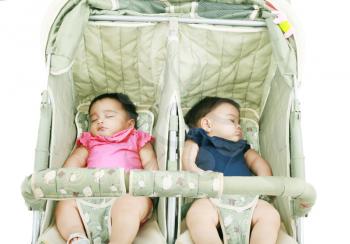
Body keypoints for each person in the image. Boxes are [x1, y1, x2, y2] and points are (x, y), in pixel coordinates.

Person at [55, 93, 158, 244]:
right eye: (94, 119)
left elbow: (150, 161)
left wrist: (151, 180)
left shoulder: (136, 138)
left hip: (127, 195)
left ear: (130, 124)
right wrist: (65, 178)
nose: (100, 121)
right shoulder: (89, 142)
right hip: (90, 198)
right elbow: (74, 162)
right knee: (64, 204)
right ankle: (77, 237)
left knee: (130, 205)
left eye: (109, 116)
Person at [182, 96, 280, 244]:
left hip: (248, 199)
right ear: (207, 124)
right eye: (232, 120)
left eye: (239, 122)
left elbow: (257, 161)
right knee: (197, 215)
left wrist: (265, 182)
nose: (239, 126)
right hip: (211, 197)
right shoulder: (199, 138)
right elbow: (188, 157)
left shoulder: (242, 147)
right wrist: (194, 171)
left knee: (270, 215)